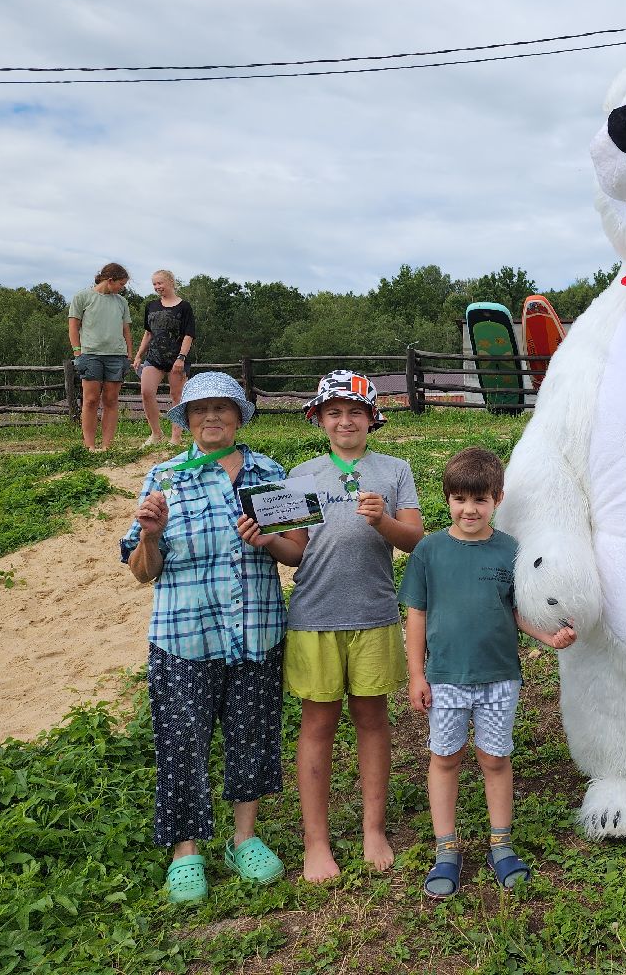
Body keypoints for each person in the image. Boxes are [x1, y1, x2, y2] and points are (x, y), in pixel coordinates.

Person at [120, 371, 309, 903]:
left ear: (238, 416)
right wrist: (150, 536)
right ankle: (187, 851)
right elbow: (141, 570)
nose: (211, 418)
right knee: (182, 743)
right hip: (184, 636)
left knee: (252, 735)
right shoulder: (164, 477)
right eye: (200, 410)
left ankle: (243, 837)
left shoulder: (269, 473)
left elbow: (298, 552)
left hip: (257, 631)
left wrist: (269, 539)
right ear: (185, 418)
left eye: (222, 409)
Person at [398, 447, 577, 899]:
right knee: (446, 757)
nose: (469, 510)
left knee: (495, 760)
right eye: (459, 499)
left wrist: (548, 637)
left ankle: (501, 842)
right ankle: (447, 848)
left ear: (497, 499)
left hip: (500, 676)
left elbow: (517, 610)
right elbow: (416, 616)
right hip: (445, 678)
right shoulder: (429, 551)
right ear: (447, 500)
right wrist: (416, 675)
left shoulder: (511, 551)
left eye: (479, 500)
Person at [285, 370, 424, 883]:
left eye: (355, 412)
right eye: (334, 412)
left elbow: (416, 541)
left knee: (372, 719)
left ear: (371, 419)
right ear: (319, 419)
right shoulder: (302, 473)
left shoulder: (395, 469)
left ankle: (373, 828)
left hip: (374, 614)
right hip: (313, 615)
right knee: (317, 725)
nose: (345, 421)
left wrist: (383, 522)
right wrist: (264, 539)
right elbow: (293, 548)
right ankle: (316, 841)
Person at [68, 262, 132, 451]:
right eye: (121, 284)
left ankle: (106, 446)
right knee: (90, 400)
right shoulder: (82, 297)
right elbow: (73, 325)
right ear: (110, 280)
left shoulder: (122, 302)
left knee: (111, 400)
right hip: (91, 355)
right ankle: (89, 446)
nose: (122, 288)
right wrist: (77, 351)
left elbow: (126, 330)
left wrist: (129, 355)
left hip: (116, 356)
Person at [133, 269, 197, 447]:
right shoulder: (151, 306)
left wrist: (181, 358)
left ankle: (176, 437)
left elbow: (188, 335)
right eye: (154, 284)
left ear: (170, 282)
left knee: (176, 396)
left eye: (160, 283)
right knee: (146, 392)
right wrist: (138, 355)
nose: (157, 287)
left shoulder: (184, 307)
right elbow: (148, 334)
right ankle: (156, 434)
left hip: (177, 358)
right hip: (154, 357)